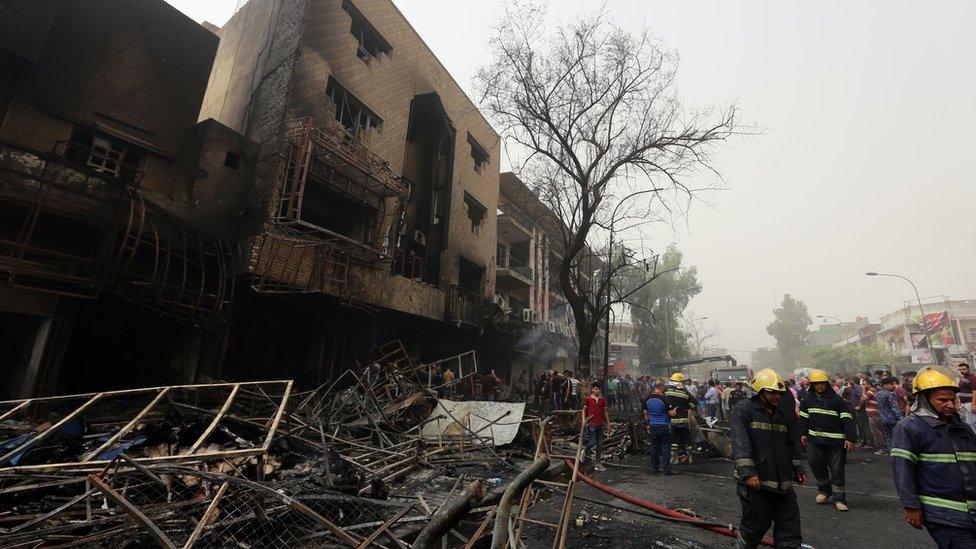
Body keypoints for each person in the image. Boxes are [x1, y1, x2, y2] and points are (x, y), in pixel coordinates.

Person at [891, 366, 976, 547]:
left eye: (953, 399)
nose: (950, 405)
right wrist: (911, 506)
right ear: (924, 400)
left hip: (971, 512)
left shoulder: (963, 428)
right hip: (943, 515)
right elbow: (902, 470)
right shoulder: (909, 427)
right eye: (943, 400)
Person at [731, 368, 805, 548]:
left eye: (779, 393)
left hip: (783, 484)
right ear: (760, 391)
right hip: (757, 484)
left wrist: (797, 468)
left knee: (790, 531)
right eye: (771, 392)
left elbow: (789, 443)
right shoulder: (743, 410)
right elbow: (741, 443)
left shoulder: (781, 413)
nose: (776, 397)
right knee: (754, 528)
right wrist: (748, 472)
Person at [798, 369, 856, 512]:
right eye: (816, 383)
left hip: (835, 443)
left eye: (822, 383)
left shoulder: (837, 400)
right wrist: (802, 433)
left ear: (827, 384)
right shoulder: (807, 401)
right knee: (815, 464)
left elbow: (847, 419)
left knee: (837, 470)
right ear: (812, 385)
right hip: (814, 441)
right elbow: (804, 418)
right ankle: (824, 491)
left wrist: (850, 438)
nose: (820, 386)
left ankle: (839, 499)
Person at [665, 373, 697, 464]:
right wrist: (687, 406)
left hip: (671, 420)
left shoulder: (666, 390)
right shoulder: (684, 392)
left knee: (674, 439)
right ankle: (689, 458)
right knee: (686, 439)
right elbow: (694, 403)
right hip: (684, 420)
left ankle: (674, 458)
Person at [644, 381, 675, 475]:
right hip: (664, 425)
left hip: (653, 426)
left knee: (654, 447)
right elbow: (671, 414)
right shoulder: (664, 399)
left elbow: (645, 412)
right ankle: (667, 469)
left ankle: (655, 468)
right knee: (665, 447)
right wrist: (674, 410)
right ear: (661, 387)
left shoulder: (648, 398)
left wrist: (648, 424)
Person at [582, 383, 612, 471]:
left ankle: (597, 463)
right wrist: (584, 420)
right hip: (591, 423)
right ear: (592, 389)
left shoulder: (602, 400)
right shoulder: (588, 399)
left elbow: (605, 412)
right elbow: (584, 410)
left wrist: (608, 424)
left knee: (600, 444)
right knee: (592, 441)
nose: (598, 390)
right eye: (596, 389)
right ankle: (585, 450)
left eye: (599, 389)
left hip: (601, 424)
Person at [877, 376, 902, 453]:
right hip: (892, 419)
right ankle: (896, 451)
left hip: (883, 418)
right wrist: (901, 418)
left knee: (888, 436)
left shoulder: (878, 393)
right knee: (896, 436)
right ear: (885, 385)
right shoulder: (889, 395)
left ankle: (890, 450)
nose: (893, 386)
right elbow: (894, 408)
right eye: (891, 384)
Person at [956, 363, 976, 429]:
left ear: (968, 369)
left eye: (963, 369)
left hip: (970, 403)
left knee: (973, 422)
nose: (961, 371)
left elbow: (975, 392)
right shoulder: (964, 378)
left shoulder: (973, 378)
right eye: (960, 370)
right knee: (969, 423)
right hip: (964, 404)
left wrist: (973, 405)